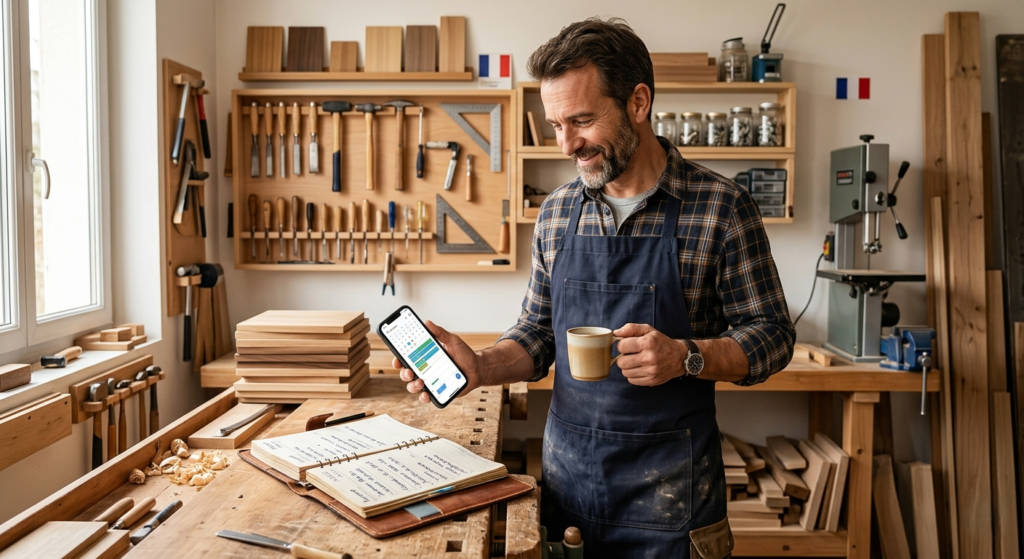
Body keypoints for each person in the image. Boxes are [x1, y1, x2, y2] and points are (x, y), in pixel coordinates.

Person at [397, 17, 795, 559]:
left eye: (581, 121)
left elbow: (773, 337)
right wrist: (481, 367)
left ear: (638, 102)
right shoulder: (558, 213)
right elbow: (539, 333)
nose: (567, 144)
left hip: (673, 506)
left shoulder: (721, 208)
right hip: (570, 495)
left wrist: (686, 357)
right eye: (556, 125)